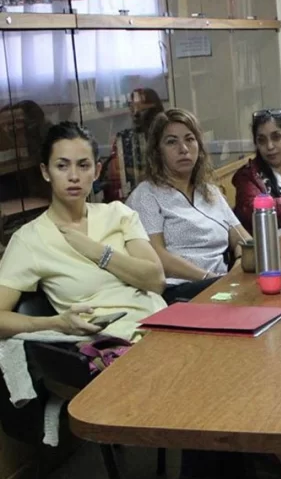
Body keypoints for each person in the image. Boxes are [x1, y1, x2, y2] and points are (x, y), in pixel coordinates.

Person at [0, 121, 166, 342]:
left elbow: (156, 281)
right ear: (45, 171)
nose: (74, 176)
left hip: (163, 325)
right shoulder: (30, 239)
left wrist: (99, 252)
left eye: (83, 165)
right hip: (113, 343)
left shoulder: (118, 213)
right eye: (62, 166)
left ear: (96, 171)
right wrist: (55, 323)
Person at [127, 108, 252, 304]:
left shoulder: (209, 191)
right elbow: (158, 258)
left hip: (221, 283)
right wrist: (209, 278)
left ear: (199, 146)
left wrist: (238, 264)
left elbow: (244, 239)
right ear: (157, 152)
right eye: (171, 142)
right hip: (178, 290)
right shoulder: (146, 195)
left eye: (189, 139)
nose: (183, 148)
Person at [100, 88, 164, 203]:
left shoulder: (166, 136)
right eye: (132, 107)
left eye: (143, 109)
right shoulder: (124, 138)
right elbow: (116, 171)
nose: (136, 113)